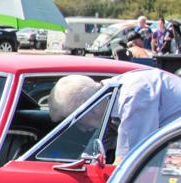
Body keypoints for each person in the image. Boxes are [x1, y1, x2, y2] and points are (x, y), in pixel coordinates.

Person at [48, 69, 181, 161]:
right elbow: (98, 149)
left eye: (77, 121)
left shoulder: (132, 98)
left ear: (90, 109)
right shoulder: (105, 93)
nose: (81, 128)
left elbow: (128, 162)